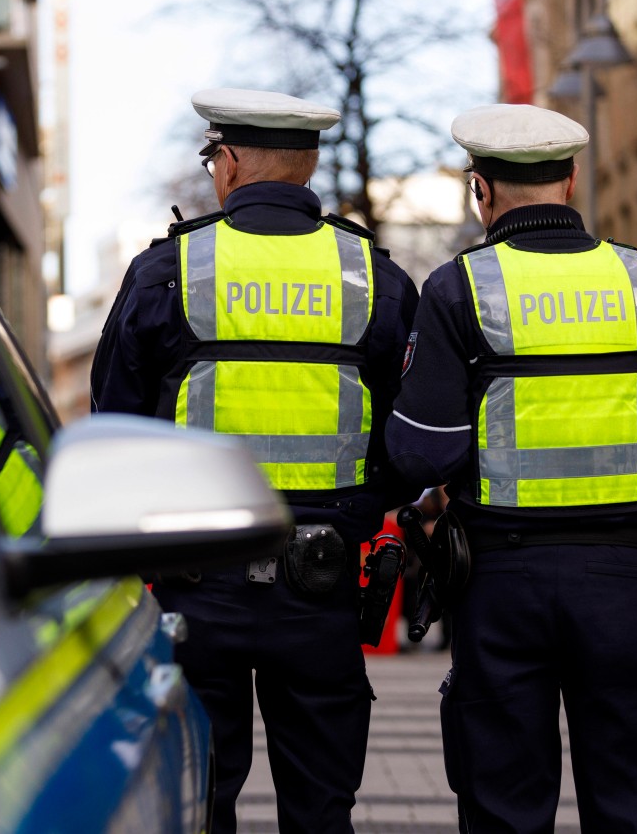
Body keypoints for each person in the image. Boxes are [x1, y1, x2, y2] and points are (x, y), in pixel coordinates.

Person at [387, 103, 637, 832]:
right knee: (630, 808)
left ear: (478, 190)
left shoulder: (458, 291)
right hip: (623, 586)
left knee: (504, 809)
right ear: (573, 179)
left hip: (500, 586)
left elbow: (422, 454)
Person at [91, 88, 418, 833]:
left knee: (199, 803)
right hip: (324, 583)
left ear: (228, 164)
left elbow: (117, 425)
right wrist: (361, 507)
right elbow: (412, 434)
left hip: (197, 590)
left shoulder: (167, 271)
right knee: (320, 807)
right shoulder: (374, 278)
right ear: (307, 166)